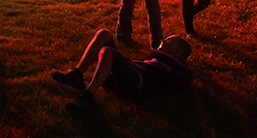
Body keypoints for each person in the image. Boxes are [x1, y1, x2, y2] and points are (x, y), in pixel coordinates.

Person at [51, 29, 193, 112]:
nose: (163, 40)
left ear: (179, 49)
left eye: (168, 40)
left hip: (137, 80)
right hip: (131, 70)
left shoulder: (179, 63)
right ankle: (77, 75)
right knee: (104, 34)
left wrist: (169, 66)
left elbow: (183, 79)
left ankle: (87, 97)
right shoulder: (163, 58)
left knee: (108, 52)